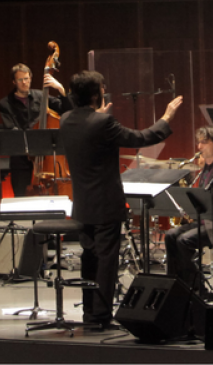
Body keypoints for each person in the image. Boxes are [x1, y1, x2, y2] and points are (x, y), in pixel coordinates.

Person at [59, 70, 183, 329]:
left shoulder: (66, 119)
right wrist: (167, 116)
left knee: (90, 259)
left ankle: (90, 313)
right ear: (96, 94)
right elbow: (141, 138)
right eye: (102, 87)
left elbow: (86, 125)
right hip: (105, 205)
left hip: (82, 206)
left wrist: (97, 114)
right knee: (106, 262)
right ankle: (100, 318)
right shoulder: (103, 123)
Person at [164, 125, 213, 291]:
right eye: (198, 143)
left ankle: (198, 288)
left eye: (204, 143)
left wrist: (203, 202)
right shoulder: (206, 167)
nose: (199, 147)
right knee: (170, 235)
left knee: (183, 241)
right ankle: (175, 284)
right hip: (204, 219)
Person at [0, 63, 72, 197]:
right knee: (21, 196)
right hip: (21, 156)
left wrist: (61, 89)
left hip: (45, 157)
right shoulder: (5, 104)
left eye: (27, 78)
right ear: (14, 82)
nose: (24, 83)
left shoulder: (41, 96)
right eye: (20, 80)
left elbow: (66, 109)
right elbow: (11, 129)